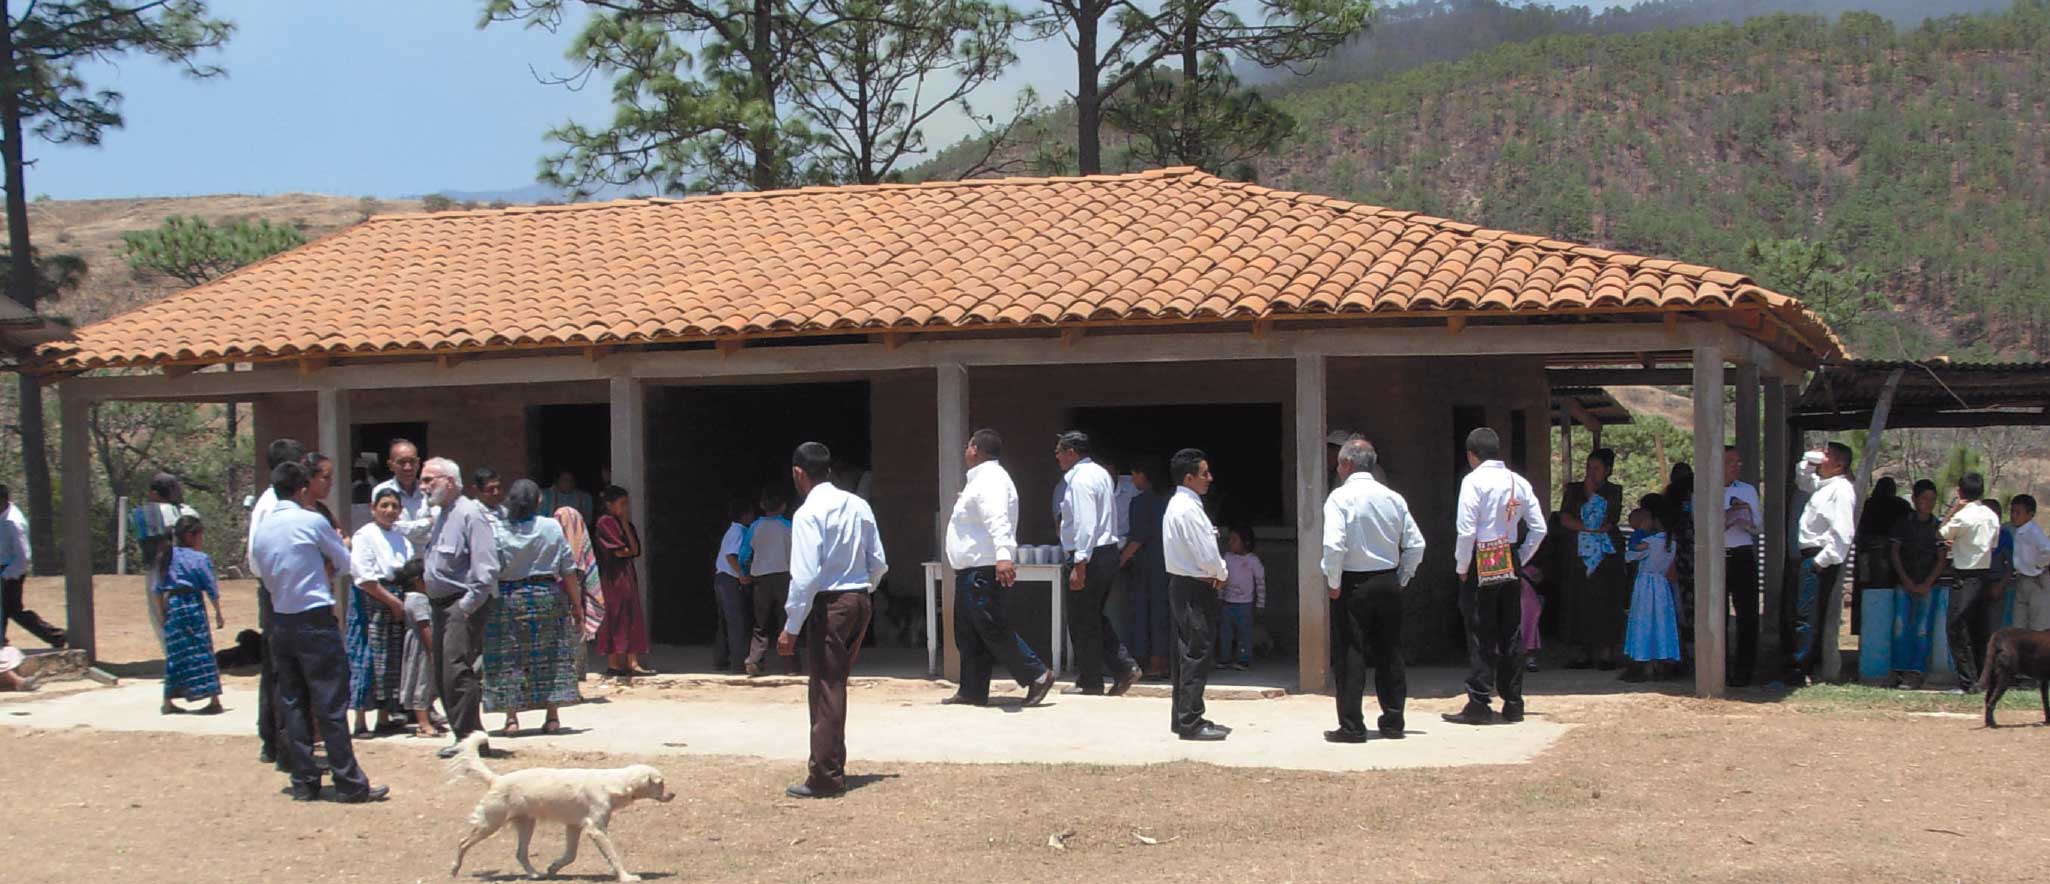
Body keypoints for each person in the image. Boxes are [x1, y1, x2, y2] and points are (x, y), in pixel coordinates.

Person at [248, 460, 388, 803]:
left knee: (293, 701)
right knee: (330, 703)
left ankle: (303, 779)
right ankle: (349, 782)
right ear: (301, 489)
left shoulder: (263, 527)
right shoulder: (311, 521)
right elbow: (344, 563)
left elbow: (260, 570)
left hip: (281, 619)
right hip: (314, 618)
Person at [778, 442, 888, 799]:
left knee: (825, 687)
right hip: (859, 599)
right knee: (836, 683)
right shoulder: (858, 504)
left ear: (799, 473)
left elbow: (806, 577)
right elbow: (879, 561)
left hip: (831, 604)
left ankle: (825, 775)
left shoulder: (808, 514)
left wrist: (791, 626)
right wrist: (863, 591)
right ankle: (833, 763)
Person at [1320, 438, 1425, 744]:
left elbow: (1333, 544)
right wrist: (1402, 577)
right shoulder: (1393, 498)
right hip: (1387, 580)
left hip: (1353, 583)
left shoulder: (1339, 499)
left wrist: (1334, 582)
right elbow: (1416, 544)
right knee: (1389, 651)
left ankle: (1352, 725)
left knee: (1350, 653)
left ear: (1347, 465)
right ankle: (1393, 720)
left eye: (1339, 464)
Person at [942, 429, 1055, 708]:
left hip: (983, 567)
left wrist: (1004, 556)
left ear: (976, 449)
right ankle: (972, 689)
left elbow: (998, 520)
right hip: (969, 569)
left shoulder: (990, 480)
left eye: (968, 446)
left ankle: (1036, 673)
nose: (966, 451)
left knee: (991, 626)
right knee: (968, 632)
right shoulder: (979, 481)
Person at [1447, 428, 1547, 726]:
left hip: (1482, 556)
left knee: (1480, 629)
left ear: (1471, 455)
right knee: (1511, 630)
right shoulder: (1519, 482)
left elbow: (1466, 530)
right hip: (1509, 554)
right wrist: (1519, 558)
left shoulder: (1473, 481)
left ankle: (1479, 701)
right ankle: (1514, 702)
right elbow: (1539, 528)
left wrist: (1462, 566)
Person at [485, 479, 583, 736]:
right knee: (549, 655)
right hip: (546, 596)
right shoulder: (551, 528)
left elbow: (489, 569)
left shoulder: (497, 530)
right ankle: (552, 716)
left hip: (508, 598)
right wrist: (577, 605)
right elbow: (568, 570)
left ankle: (511, 719)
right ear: (539, 501)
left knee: (509, 657)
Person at [421, 456, 503, 760]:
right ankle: (465, 736)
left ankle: (470, 739)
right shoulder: (442, 514)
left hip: (461, 604)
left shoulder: (471, 514)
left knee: (457, 671)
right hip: (439, 604)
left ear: (450, 482)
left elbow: (486, 569)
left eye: (430, 480)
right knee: (444, 671)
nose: (423, 486)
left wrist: (467, 608)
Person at [1054, 431, 1141, 696]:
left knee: (1082, 620)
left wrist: (1080, 562)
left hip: (1089, 556)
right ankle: (1117, 669)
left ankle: (1093, 679)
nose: (1056, 456)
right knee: (1091, 617)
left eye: (1059, 451)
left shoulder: (1080, 480)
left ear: (1072, 452)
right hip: (1106, 554)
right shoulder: (1101, 474)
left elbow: (1085, 523)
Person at [1161, 448, 1230, 741]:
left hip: (1183, 584)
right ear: (1188, 478)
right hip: (1195, 586)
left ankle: (1184, 715)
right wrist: (1221, 573)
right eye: (1204, 474)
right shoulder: (1188, 509)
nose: (1209, 479)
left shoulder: (1180, 505)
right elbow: (1206, 555)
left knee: (1185, 652)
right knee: (1196, 653)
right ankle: (1191, 720)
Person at [249, 437, 307, 767]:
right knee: (281, 669)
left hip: (278, 590)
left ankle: (276, 737)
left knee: (278, 668)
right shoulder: (273, 506)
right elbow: (258, 558)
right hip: (278, 592)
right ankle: (279, 740)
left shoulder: (274, 503)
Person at [1785, 442, 1855, 687]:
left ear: (1839, 464)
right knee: (1802, 613)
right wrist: (1809, 459)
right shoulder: (1823, 486)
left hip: (1819, 556)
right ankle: (1800, 666)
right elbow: (1803, 478)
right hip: (1809, 555)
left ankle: (1801, 669)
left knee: (1808, 616)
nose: (1821, 458)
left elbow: (1844, 533)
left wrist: (1820, 561)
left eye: (1827, 456)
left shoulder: (1842, 489)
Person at [346, 488, 413, 735]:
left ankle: (384, 716)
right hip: (371, 600)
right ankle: (360, 720)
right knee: (367, 658)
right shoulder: (364, 535)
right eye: (384, 505)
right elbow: (363, 577)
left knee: (390, 661)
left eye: (395, 506)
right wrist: (393, 602)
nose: (390, 511)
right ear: (373, 508)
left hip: (395, 597)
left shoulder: (401, 539)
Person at [1559, 449, 1625, 670]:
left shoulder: (1613, 491)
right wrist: (1585, 527)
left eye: (1596, 468)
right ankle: (1582, 652)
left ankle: (1606, 652)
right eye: (1589, 467)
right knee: (1579, 602)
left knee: (1605, 602)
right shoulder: (1574, 490)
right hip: (1579, 555)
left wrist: (1592, 497)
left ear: (1607, 470)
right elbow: (1565, 517)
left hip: (1605, 557)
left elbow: (1608, 521)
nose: (1591, 472)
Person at [153, 515, 225, 715]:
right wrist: (218, 612)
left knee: (176, 654)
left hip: (174, 607)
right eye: (200, 536)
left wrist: (162, 615)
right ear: (190, 536)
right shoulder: (200, 559)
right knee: (202, 651)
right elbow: (211, 588)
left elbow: (157, 590)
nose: (202, 540)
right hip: (193, 606)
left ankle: (168, 701)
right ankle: (214, 699)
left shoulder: (166, 557)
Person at [1939, 474, 2002, 692]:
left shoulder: (1963, 515)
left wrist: (1954, 510)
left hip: (1965, 576)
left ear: (1960, 492)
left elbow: (1941, 532)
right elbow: (1993, 545)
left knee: (1956, 628)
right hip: (1984, 574)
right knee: (1979, 629)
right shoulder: (1991, 515)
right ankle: (1982, 680)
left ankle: (1968, 681)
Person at [1888, 480, 1947, 688]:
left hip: (1929, 585)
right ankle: (1898, 669)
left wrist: (1927, 583)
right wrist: (1906, 580)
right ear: (1914, 499)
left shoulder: (1938, 527)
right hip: (1904, 582)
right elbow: (1895, 553)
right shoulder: (1903, 523)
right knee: (1900, 626)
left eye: (1932, 499)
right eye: (1924, 498)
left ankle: (1916, 671)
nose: (1928, 503)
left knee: (1922, 629)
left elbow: (1941, 558)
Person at [127, 473, 196, 649]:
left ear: (154, 493)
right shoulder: (189, 512)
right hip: (187, 570)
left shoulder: (143, 515)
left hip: (157, 571)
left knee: (160, 616)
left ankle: (173, 658)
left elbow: (134, 530)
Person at [1118, 460, 1172, 680]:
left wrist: (1120, 560)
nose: (1132, 479)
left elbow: (1137, 539)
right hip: (1168, 564)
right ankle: (1164, 661)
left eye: (1134, 474)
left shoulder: (1140, 502)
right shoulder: (1168, 501)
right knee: (1163, 612)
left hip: (1146, 566)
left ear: (1143, 475)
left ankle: (1152, 661)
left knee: (1144, 614)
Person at [594, 485, 652, 677]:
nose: (625, 508)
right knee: (615, 616)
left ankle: (632, 662)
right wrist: (626, 549)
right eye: (622, 504)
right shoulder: (605, 523)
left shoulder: (624, 523)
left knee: (631, 615)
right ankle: (615, 663)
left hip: (627, 575)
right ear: (609, 505)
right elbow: (619, 551)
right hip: (612, 576)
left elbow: (634, 550)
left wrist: (626, 525)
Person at [1621, 506, 1681, 682]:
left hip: (1646, 585)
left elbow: (1630, 555)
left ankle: (1644, 664)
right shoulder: (1673, 543)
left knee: (1644, 623)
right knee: (1662, 624)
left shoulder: (1651, 541)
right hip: (1662, 585)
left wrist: (1639, 533)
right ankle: (1661, 664)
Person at [0, 484, 63, 649]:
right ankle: (56, 636)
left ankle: (56, 636)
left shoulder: (14, 523)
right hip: (5, 568)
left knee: (9, 610)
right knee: (12, 611)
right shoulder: (3, 515)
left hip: (10, 571)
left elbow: (23, 556)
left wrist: (6, 576)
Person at [1722, 446, 1765, 686]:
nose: (1736, 466)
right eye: (1730, 462)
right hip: (1717, 553)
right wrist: (1728, 515)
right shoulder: (1704, 488)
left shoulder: (1747, 490)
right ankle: (1718, 666)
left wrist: (1746, 517)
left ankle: (1745, 670)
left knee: (1747, 613)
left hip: (1742, 552)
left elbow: (1758, 526)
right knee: (1717, 613)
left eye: (1738, 462)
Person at [741, 490, 795, 676]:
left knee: (760, 623)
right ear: (783, 507)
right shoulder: (788, 526)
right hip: (784, 576)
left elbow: (744, 554)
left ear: (762, 506)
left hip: (761, 579)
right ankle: (789, 665)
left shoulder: (755, 527)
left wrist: (745, 572)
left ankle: (755, 660)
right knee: (787, 620)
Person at [1853, 477, 1912, 637]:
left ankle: (1865, 638)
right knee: (1890, 599)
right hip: (1892, 558)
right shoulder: (1901, 506)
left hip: (1865, 557)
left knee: (1867, 598)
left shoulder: (1867, 505)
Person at [389, 559, 442, 737]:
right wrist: (433, 650)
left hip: (420, 645)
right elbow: (424, 625)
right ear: (418, 580)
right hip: (421, 647)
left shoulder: (413, 598)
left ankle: (427, 719)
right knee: (422, 682)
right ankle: (423, 723)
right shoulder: (418, 600)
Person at [553, 505, 602, 687]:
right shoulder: (580, 550)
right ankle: (576, 674)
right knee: (576, 630)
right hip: (574, 597)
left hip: (562, 596)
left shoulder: (554, 544)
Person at [713, 500, 753, 675]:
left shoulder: (733, 530)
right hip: (730, 580)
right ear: (745, 515)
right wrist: (742, 574)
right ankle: (738, 662)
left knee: (725, 622)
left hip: (722, 579)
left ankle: (721, 659)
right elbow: (731, 556)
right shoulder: (738, 531)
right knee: (737, 622)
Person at [371, 438, 436, 548]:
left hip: (427, 558)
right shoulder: (382, 491)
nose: (408, 467)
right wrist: (427, 522)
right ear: (391, 465)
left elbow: (437, 524)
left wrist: (408, 529)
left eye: (412, 461)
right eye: (402, 462)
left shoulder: (429, 490)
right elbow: (393, 527)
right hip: (397, 557)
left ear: (418, 463)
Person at [1217, 526, 1265, 671]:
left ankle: (1243, 659)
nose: (1230, 543)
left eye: (1234, 540)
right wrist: (1219, 596)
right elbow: (1221, 578)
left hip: (1245, 604)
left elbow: (1260, 582)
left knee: (1244, 633)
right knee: (1225, 632)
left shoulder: (1253, 561)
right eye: (1229, 539)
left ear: (1245, 542)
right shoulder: (1227, 558)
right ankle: (1224, 658)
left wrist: (1260, 603)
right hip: (1227, 602)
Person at [2010, 495, 2049, 632]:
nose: (2014, 515)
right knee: (2019, 625)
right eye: (2012, 511)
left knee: (2037, 626)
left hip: (2036, 581)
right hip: (2022, 579)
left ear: (2030, 514)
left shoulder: (2034, 531)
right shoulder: (2017, 531)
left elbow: (2047, 551)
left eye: (2018, 512)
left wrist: (2038, 566)